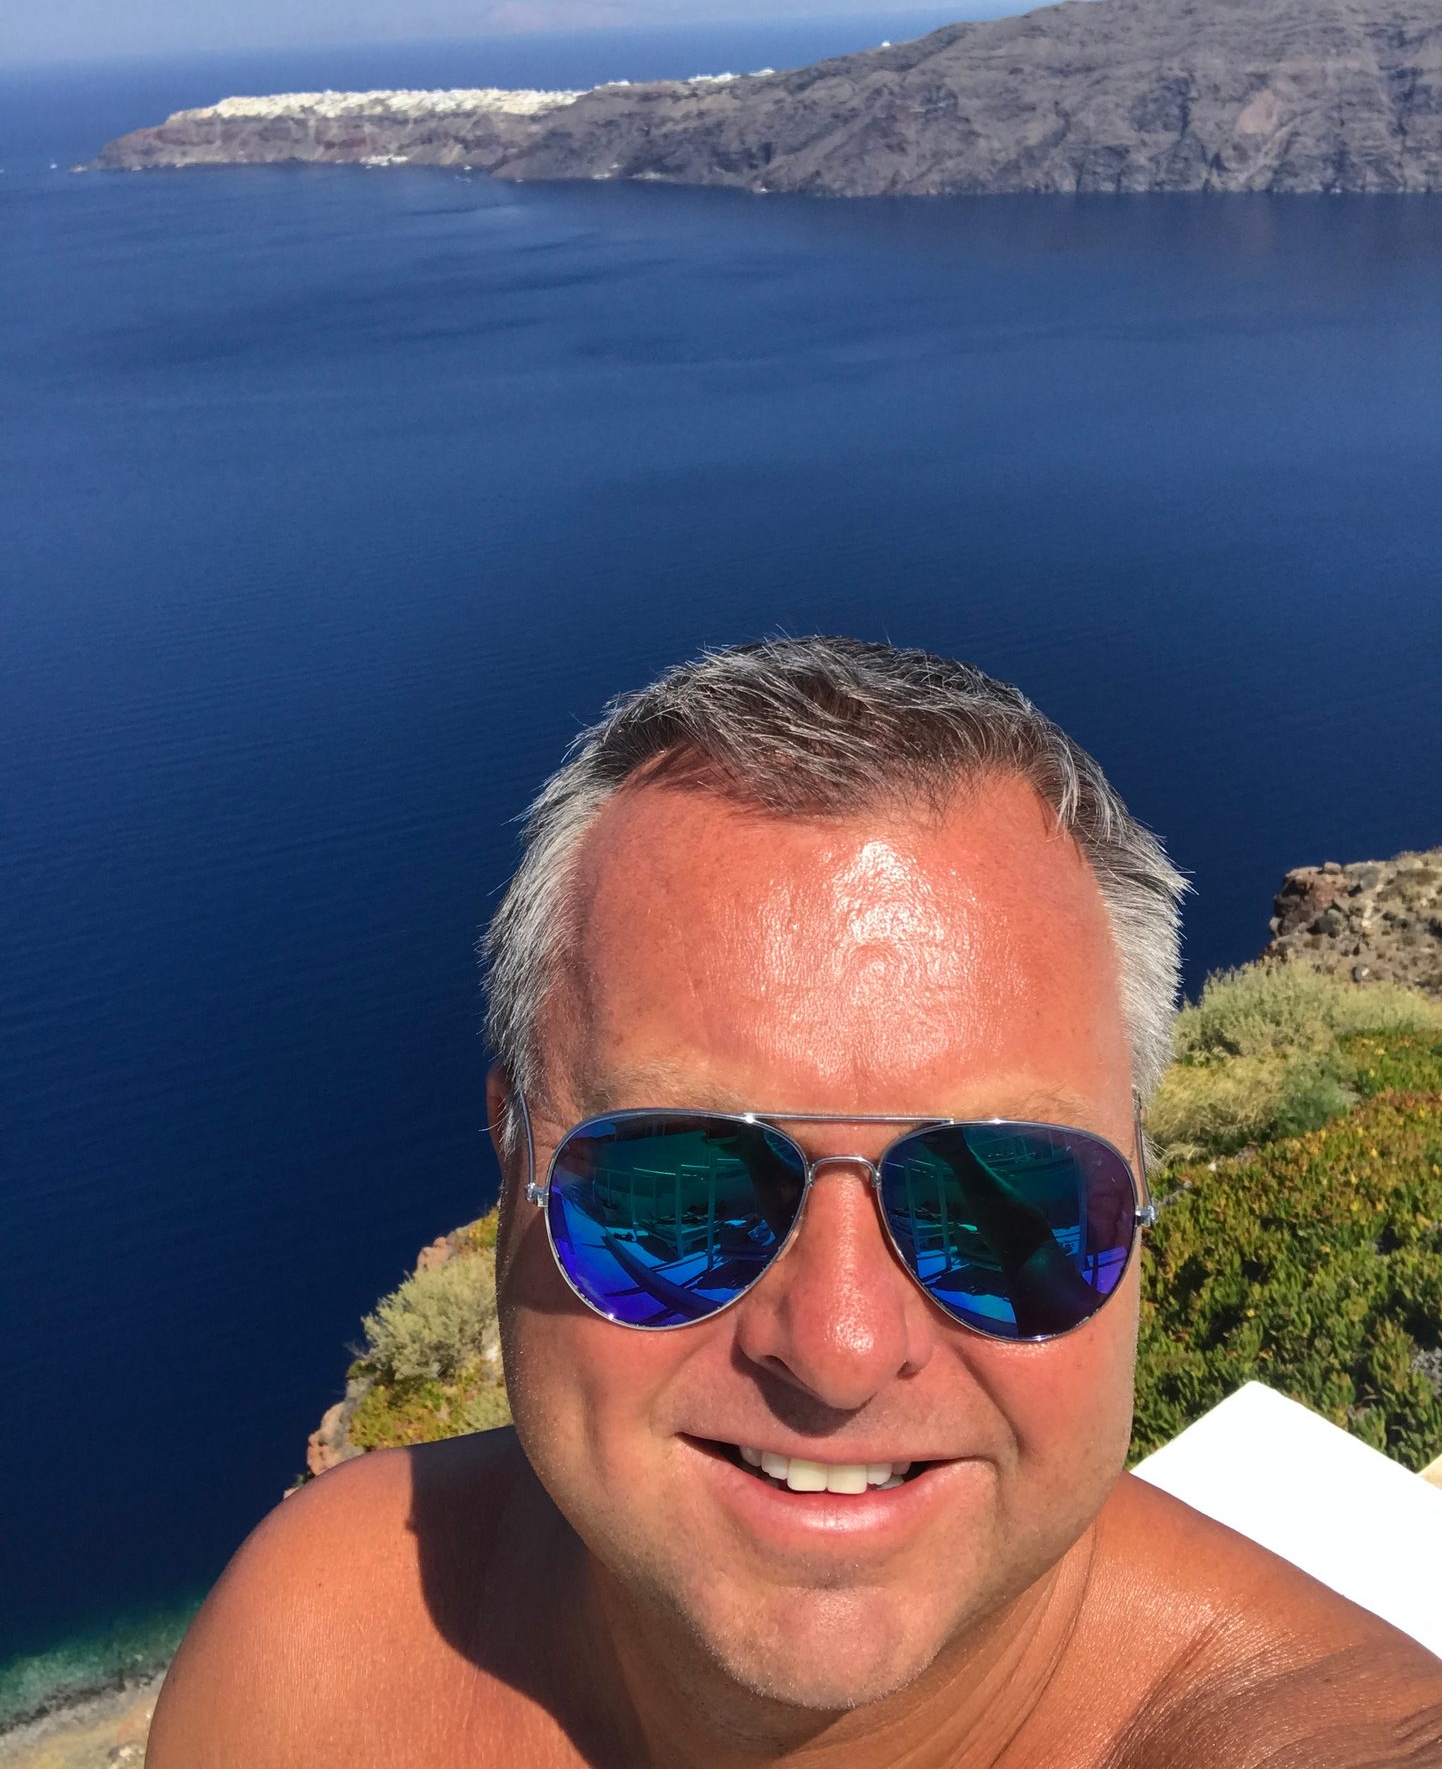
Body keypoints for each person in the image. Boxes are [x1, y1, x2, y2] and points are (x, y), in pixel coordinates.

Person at [149, 637, 1442, 1767]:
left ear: (1138, 1200)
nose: (835, 1349)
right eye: (679, 1186)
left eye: (999, 1203)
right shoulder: (311, 1648)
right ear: (513, 1159)